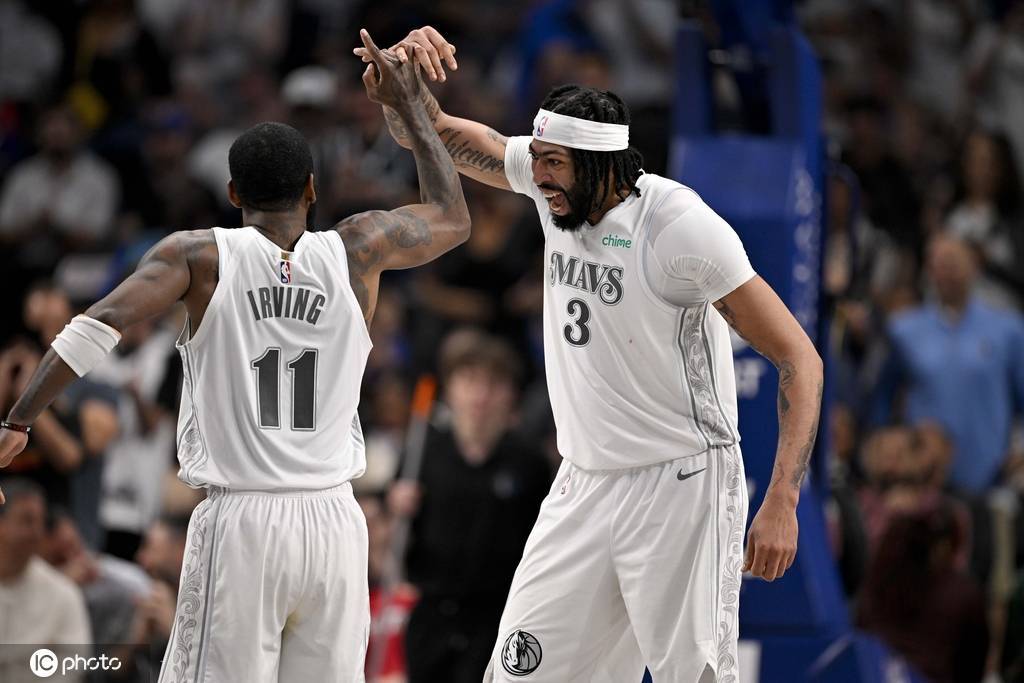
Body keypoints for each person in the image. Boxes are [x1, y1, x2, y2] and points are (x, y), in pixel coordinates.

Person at [0, 29, 469, 683]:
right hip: (336, 523)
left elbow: (97, 324)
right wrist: (411, 105)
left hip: (245, 520)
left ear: (232, 193)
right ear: (312, 189)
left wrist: (19, 420)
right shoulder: (358, 250)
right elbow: (452, 216)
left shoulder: (200, 256)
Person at [357, 26, 824, 682]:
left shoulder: (679, 229)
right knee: (517, 672)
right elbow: (431, 134)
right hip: (584, 480)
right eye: (537, 158)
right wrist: (400, 90)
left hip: (679, 483)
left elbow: (800, 359)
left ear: (601, 165)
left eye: (553, 163)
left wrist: (782, 500)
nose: (537, 175)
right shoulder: (553, 189)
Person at [389, 329, 551, 683]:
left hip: (499, 618)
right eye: (470, 381)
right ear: (450, 389)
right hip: (432, 614)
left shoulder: (529, 463)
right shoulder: (422, 453)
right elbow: (394, 540)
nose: (481, 395)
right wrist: (395, 505)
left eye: (494, 383)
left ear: (511, 393)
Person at [0, 479, 91, 683]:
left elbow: (72, 665)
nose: (36, 533)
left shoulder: (64, 594)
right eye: (26, 521)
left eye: (39, 522)